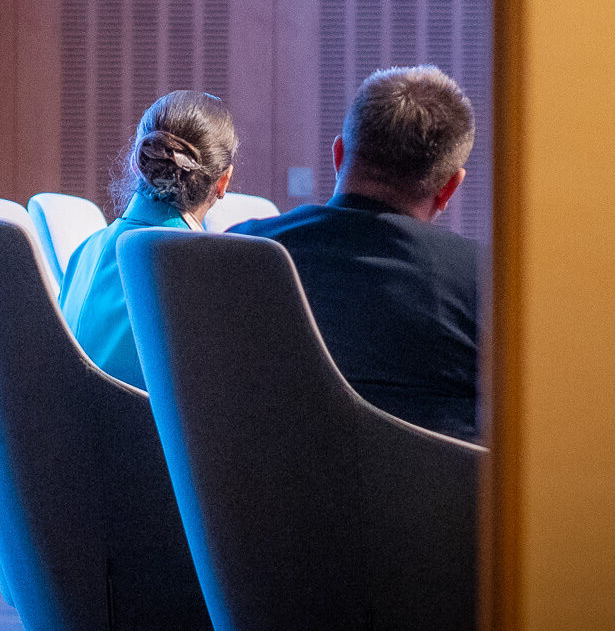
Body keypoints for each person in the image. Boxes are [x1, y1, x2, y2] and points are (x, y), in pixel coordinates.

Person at [232, 65, 481, 441]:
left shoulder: (237, 252)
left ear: (338, 154)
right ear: (449, 187)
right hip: (430, 481)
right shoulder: (490, 285)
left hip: (257, 479)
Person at [61, 91, 237, 389]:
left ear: (137, 163)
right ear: (222, 182)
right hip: (149, 422)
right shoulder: (211, 274)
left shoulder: (84, 251)